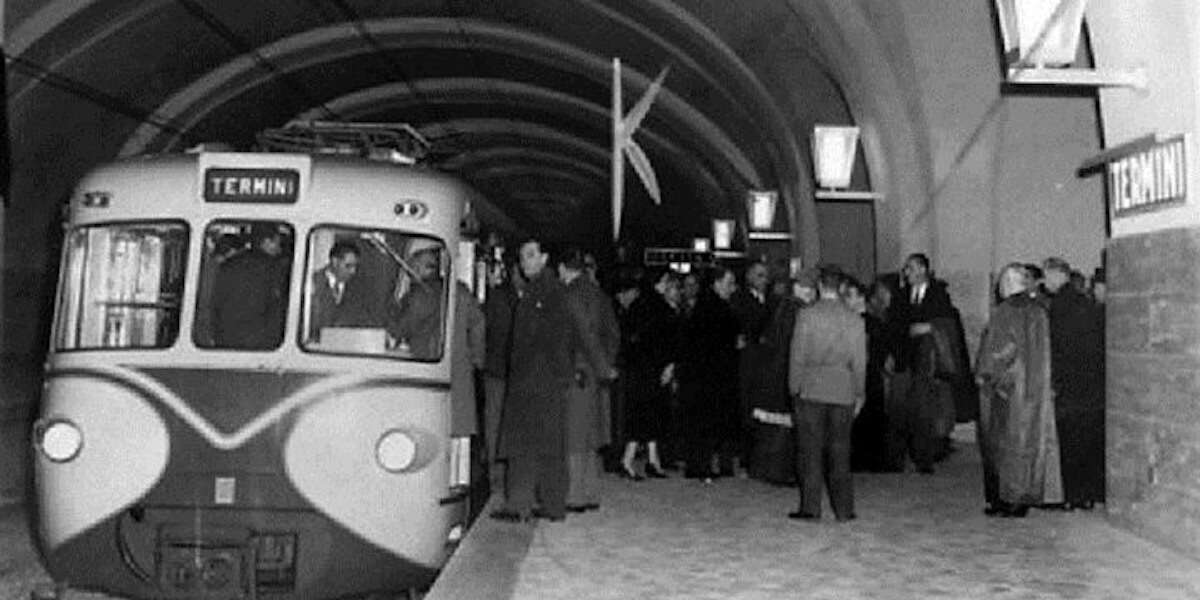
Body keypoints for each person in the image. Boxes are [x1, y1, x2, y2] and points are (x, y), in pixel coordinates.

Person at [492, 238, 575, 523]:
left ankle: (519, 505)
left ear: (545, 257)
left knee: (523, 447)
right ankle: (553, 506)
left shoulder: (543, 293)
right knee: (549, 447)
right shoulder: (549, 291)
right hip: (544, 382)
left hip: (533, 382)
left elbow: (552, 340)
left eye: (530, 255)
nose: (524, 262)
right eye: (522, 256)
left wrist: (550, 374)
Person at [976, 263, 1064, 518]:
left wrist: (986, 376)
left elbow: (999, 351)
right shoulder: (1039, 311)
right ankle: (1024, 496)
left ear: (1009, 284)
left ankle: (1008, 499)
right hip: (1036, 387)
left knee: (1005, 445)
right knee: (1029, 444)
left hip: (1009, 388)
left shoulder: (1005, 312)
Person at [787, 267, 866, 522]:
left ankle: (811, 507)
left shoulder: (807, 316)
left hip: (812, 387)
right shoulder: (854, 319)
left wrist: (794, 386)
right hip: (842, 388)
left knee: (810, 451)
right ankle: (844, 509)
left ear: (820, 286)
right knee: (840, 451)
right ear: (841, 287)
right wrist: (859, 391)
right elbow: (860, 361)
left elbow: (797, 355)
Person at [891, 253, 974, 474]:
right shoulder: (900, 296)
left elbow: (947, 324)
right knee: (901, 408)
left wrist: (928, 328)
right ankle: (900, 456)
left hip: (928, 362)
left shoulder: (939, 295)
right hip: (905, 358)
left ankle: (924, 457)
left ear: (921, 270)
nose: (906, 273)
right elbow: (895, 324)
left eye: (910, 268)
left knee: (925, 410)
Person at [559, 248, 620, 513]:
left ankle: (574, 496)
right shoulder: (598, 294)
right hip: (595, 374)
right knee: (592, 435)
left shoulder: (570, 295)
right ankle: (592, 492)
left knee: (574, 434)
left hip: (577, 371)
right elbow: (613, 333)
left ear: (563, 268)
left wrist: (598, 365)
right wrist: (606, 365)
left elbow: (583, 334)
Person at [1042, 257, 1105, 510]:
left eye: (1047, 277)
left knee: (1070, 443)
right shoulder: (1085, 303)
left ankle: (1073, 495)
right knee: (1088, 441)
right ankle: (1088, 495)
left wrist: (1054, 381)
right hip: (1090, 385)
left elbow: (1057, 348)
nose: (1045, 283)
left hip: (1069, 386)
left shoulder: (1059, 305)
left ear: (1057, 275)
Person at [620, 269, 682, 480]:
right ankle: (628, 460)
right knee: (645, 413)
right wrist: (669, 364)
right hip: (649, 367)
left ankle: (652, 459)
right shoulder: (658, 307)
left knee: (649, 412)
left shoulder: (643, 304)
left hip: (643, 366)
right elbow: (664, 339)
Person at [679, 266, 740, 481]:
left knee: (701, 422)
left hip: (702, 374)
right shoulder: (715, 308)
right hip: (709, 376)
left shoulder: (708, 306)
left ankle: (698, 464)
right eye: (728, 283)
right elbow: (716, 343)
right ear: (717, 283)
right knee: (705, 422)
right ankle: (701, 466)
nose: (732, 288)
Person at [730, 261, 776, 478]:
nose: (763, 280)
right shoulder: (739, 300)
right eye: (759, 275)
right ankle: (745, 457)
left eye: (765, 276)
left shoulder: (773, 301)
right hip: (748, 361)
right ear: (749, 277)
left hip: (766, 362)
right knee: (747, 407)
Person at [212, 223, 289, 349]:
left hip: (225, 342)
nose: (279, 249)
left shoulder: (228, 266)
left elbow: (215, 303)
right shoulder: (275, 269)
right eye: (277, 243)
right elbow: (277, 309)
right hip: (262, 344)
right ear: (266, 242)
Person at [482, 260, 521, 483]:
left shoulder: (496, 296)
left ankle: (499, 467)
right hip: (501, 367)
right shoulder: (503, 297)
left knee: (496, 417)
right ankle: (496, 467)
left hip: (503, 366)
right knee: (497, 418)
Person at [307, 241, 373, 342]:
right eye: (348, 266)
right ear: (335, 261)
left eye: (355, 266)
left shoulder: (359, 289)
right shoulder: (311, 283)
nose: (353, 271)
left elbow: (364, 320)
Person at [388, 247, 446, 359]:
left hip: (423, 357)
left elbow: (402, 328)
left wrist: (389, 312)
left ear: (423, 268)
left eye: (414, 266)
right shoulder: (444, 289)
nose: (410, 271)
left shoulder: (421, 294)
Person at [450, 279, 485, 438]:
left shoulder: (420, 293)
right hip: (460, 365)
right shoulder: (462, 293)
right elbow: (478, 324)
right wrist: (477, 358)